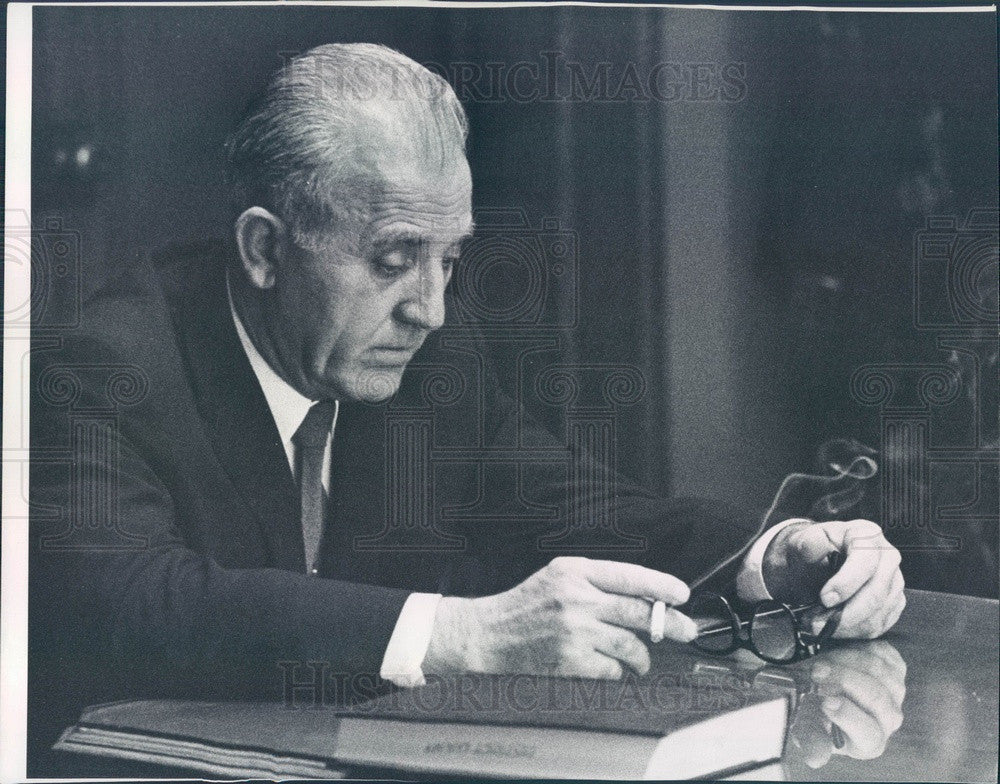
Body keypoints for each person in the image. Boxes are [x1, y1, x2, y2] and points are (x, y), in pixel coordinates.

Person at [29, 43, 904, 748]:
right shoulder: (105, 365)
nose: (432, 309)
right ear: (265, 250)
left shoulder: (425, 362)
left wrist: (769, 557)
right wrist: (460, 637)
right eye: (394, 258)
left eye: (451, 258)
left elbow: (580, 507)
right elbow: (134, 606)